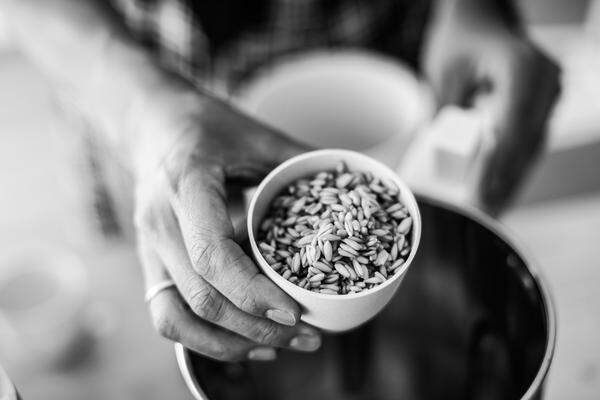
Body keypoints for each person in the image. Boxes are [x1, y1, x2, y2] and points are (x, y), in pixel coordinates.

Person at [0, 0, 559, 362]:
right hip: (136, 92)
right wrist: (139, 113)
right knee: (181, 274)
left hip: (382, 56)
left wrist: (471, 10)